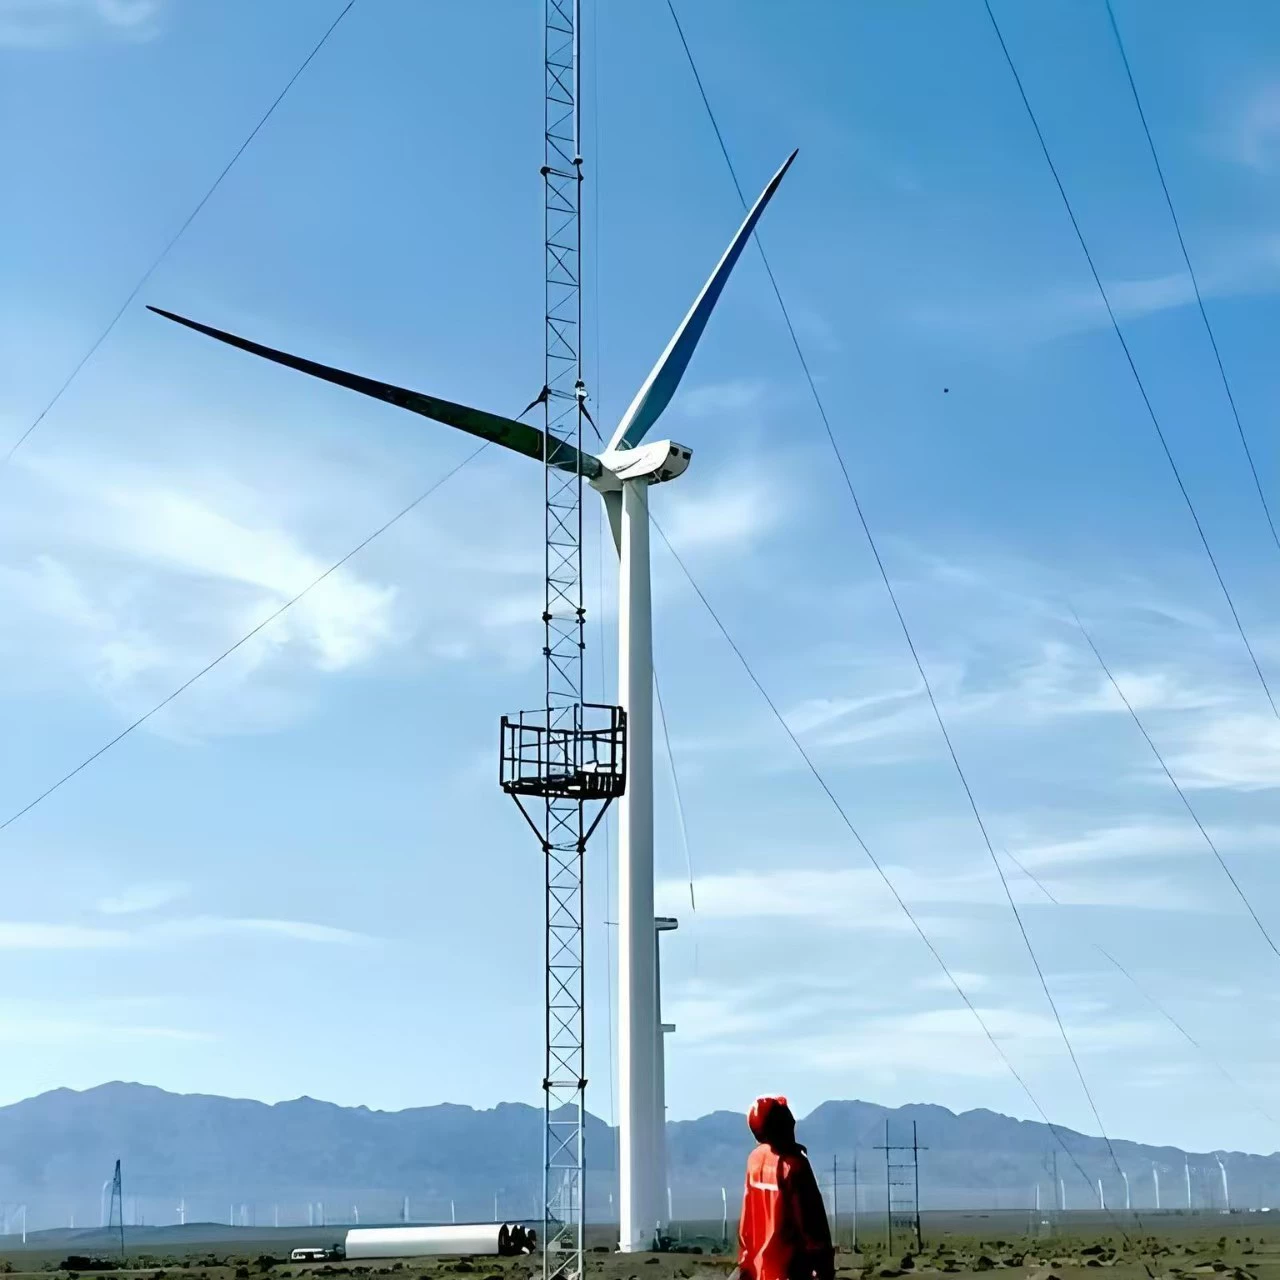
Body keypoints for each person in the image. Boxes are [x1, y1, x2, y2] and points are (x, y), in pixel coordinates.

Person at [736, 1096, 835, 1280]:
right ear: (782, 1125)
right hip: (791, 1272)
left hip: (759, 1271)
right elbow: (812, 1225)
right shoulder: (794, 1166)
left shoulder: (755, 1160)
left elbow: (746, 1226)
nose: (793, 1121)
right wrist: (824, 1268)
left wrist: (746, 1265)